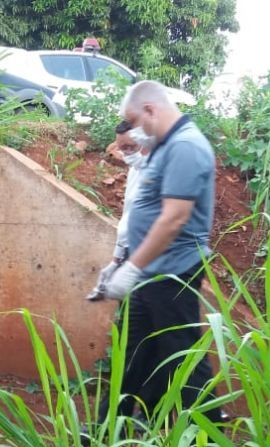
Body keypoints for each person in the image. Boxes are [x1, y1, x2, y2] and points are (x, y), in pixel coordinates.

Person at [95, 80, 224, 423]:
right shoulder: (167, 147)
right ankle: (107, 428)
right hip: (151, 271)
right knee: (132, 352)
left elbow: (174, 218)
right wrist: (123, 263)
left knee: (183, 359)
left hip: (172, 273)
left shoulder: (186, 147)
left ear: (150, 110)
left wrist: (132, 267)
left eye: (134, 122)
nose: (132, 134)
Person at [87, 120, 149, 300]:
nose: (127, 153)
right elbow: (128, 218)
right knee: (127, 318)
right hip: (131, 250)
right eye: (122, 148)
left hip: (147, 254)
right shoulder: (135, 170)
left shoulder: (155, 173)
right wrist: (116, 260)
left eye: (131, 146)